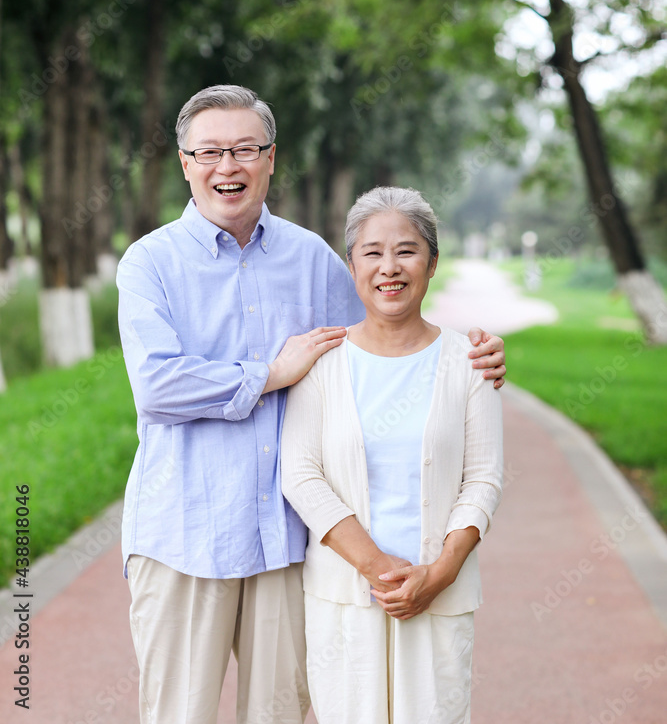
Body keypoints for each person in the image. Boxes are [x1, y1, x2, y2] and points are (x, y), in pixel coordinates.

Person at [116, 84, 507, 724]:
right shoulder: (149, 265)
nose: (228, 167)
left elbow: (389, 332)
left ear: (272, 158)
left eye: (246, 149)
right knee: (177, 714)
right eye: (209, 152)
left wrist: (473, 356)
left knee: (280, 714)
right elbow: (158, 388)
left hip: (285, 542)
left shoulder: (313, 261)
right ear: (184, 163)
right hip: (184, 533)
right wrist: (271, 373)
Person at [281, 186, 504, 724]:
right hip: (344, 598)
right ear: (352, 264)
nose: (389, 267)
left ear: (431, 264)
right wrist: (379, 568)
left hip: (440, 597)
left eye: (406, 251)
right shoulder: (322, 362)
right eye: (372, 252)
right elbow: (301, 475)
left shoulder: (470, 362)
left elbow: (484, 479)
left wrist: (442, 571)